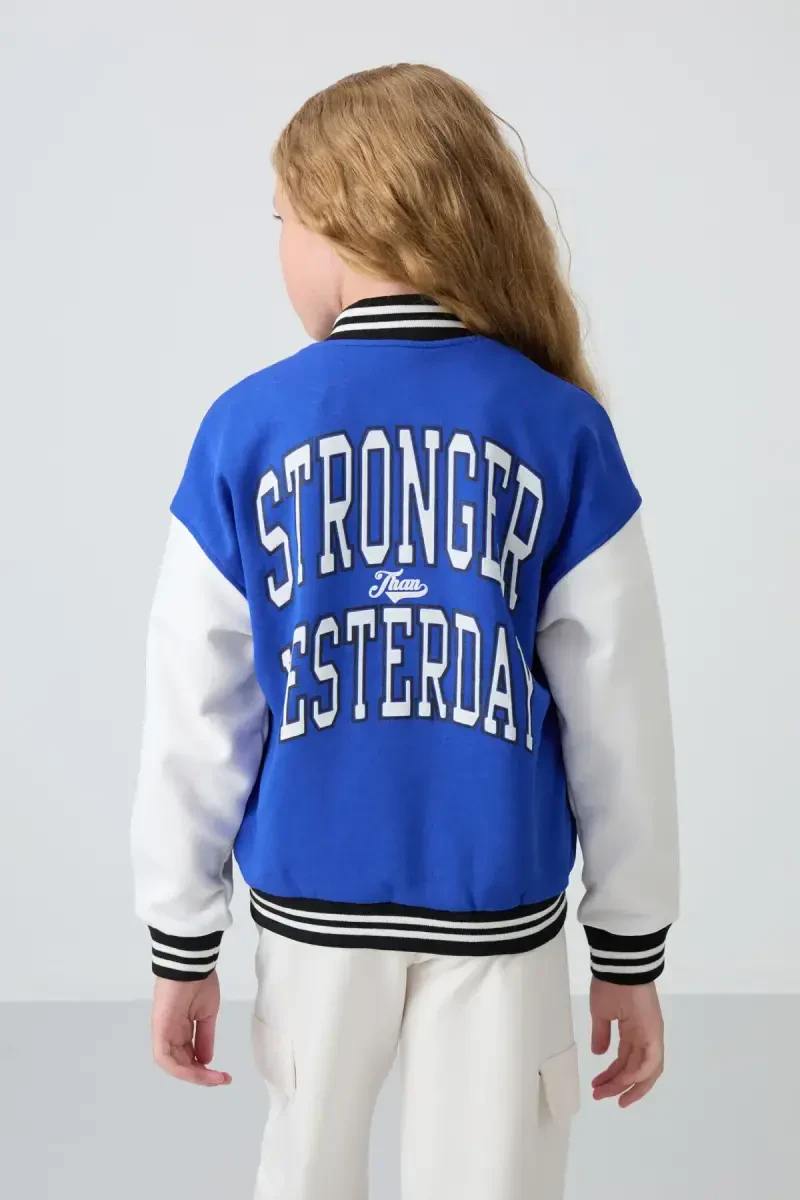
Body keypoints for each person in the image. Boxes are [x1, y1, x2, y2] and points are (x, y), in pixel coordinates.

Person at [130, 62, 679, 1200]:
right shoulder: (559, 425)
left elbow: (196, 707)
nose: (279, 248)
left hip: (313, 908)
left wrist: (181, 937)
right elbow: (619, 715)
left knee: (305, 1174)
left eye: (280, 220)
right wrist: (627, 949)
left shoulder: (248, 428)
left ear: (340, 219)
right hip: (498, 907)